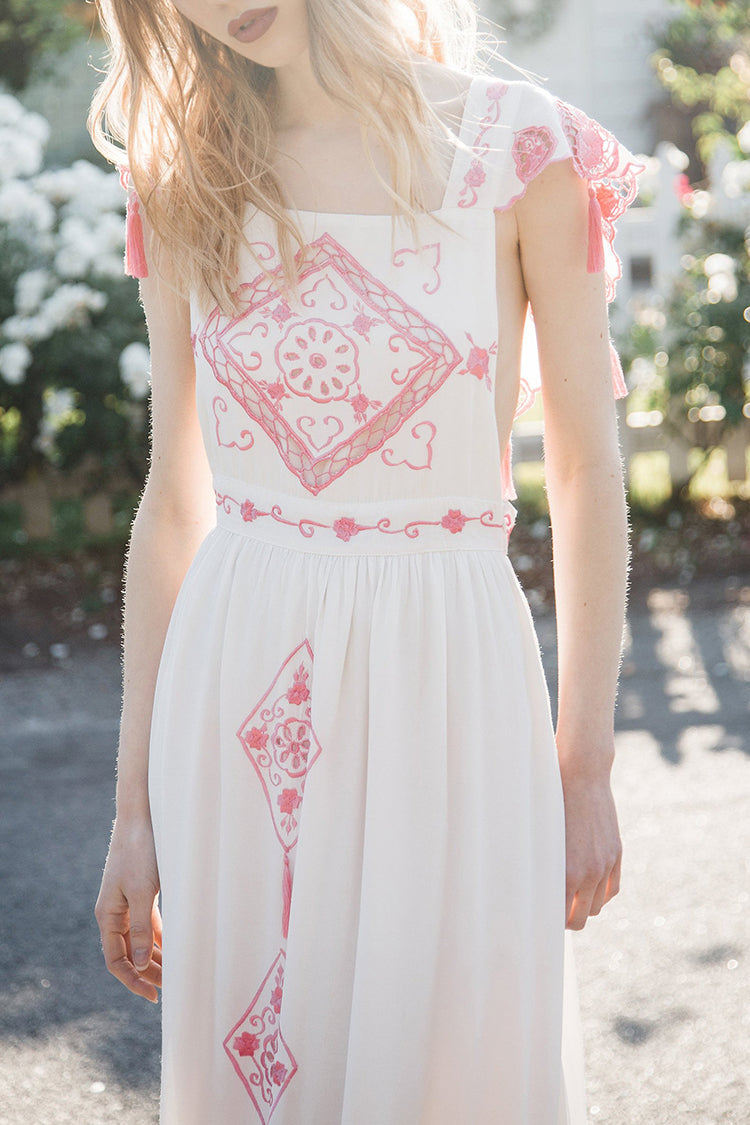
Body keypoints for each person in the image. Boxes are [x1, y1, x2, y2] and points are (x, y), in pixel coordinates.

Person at [89, 1, 644, 1121]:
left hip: (450, 682)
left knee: (450, 1057)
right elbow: (176, 493)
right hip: (236, 688)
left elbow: (587, 469)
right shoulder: (184, 167)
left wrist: (583, 764)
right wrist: (133, 810)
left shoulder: (518, 149)